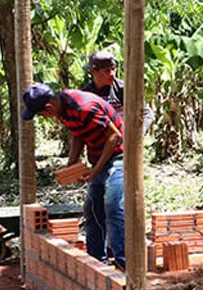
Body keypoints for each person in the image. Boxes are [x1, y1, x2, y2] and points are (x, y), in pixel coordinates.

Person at [22, 82, 128, 269]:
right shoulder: (63, 110)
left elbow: (115, 136)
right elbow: (78, 134)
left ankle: (124, 264)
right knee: (93, 208)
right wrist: (72, 163)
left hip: (118, 155)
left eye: (42, 114)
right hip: (98, 158)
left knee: (112, 205)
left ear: (49, 107)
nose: (44, 118)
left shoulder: (83, 107)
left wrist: (95, 170)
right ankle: (97, 263)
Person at [78, 51, 154, 136]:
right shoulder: (86, 94)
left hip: (124, 142)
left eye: (113, 69)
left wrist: (140, 133)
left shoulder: (124, 89)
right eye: (107, 71)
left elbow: (147, 113)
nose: (112, 74)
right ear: (94, 71)